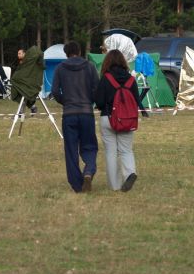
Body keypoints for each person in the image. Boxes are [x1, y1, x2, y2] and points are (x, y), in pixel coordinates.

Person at [51, 41, 99, 193]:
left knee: (71, 150)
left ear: (65, 53)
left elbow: (55, 92)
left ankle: (78, 185)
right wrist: (89, 101)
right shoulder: (90, 67)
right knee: (90, 146)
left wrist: (66, 102)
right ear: (80, 51)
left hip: (69, 114)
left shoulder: (60, 68)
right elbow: (96, 89)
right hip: (86, 112)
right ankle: (89, 171)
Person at [94, 49, 140, 192]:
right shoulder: (131, 80)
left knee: (111, 152)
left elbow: (99, 101)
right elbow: (137, 101)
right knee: (126, 150)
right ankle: (130, 173)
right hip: (127, 120)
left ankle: (114, 186)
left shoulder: (106, 78)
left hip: (108, 118)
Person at [14, 49, 37, 114]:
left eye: (19, 53)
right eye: (18, 53)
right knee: (23, 98)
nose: (18, 55)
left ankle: (20, 113)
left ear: (24, 54)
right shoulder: (20, 62)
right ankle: (33, 107)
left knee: (22, 97)